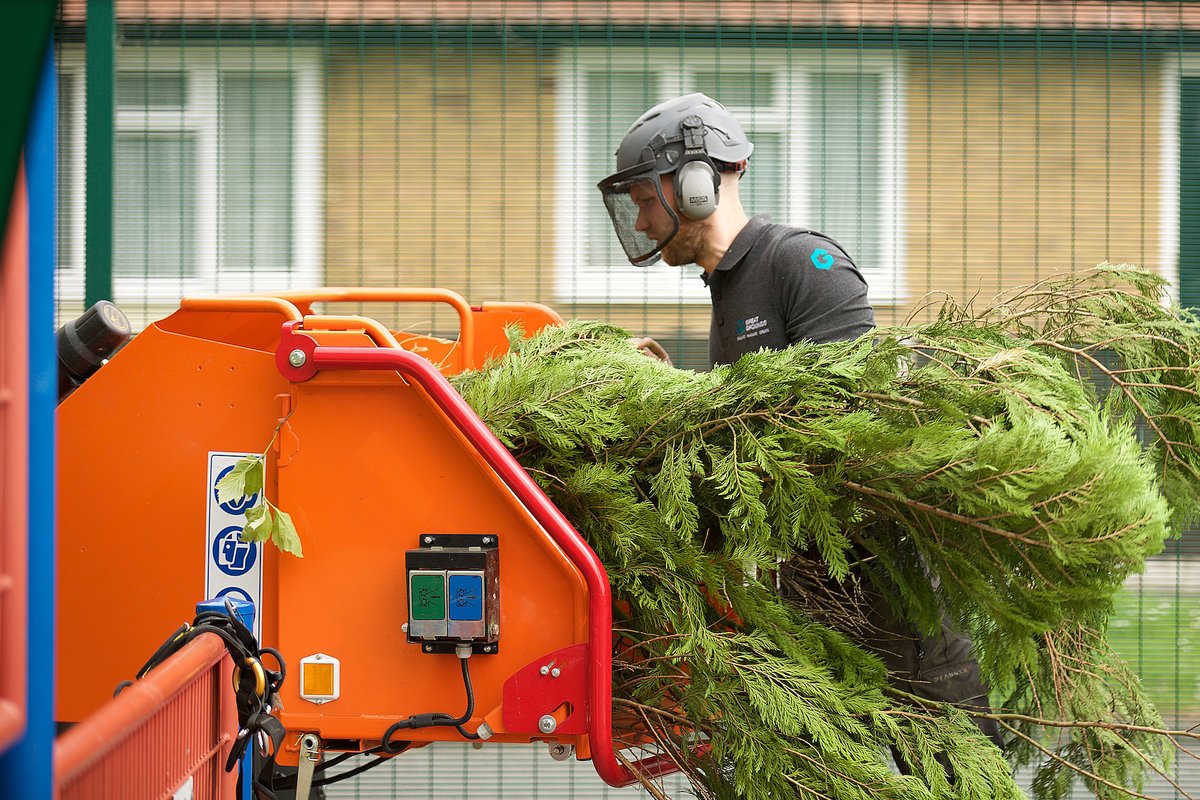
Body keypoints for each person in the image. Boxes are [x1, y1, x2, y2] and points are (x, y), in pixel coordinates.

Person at [597, 93, 1005, 766]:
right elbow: (759, 416)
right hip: (814, 589)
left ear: (695, 185)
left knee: (955, 769)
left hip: (885, 592)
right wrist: (679, 399)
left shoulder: (802, 263)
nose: (640, 221)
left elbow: (850, 422)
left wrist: (696, 414)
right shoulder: (729, 287)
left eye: (645, 200)